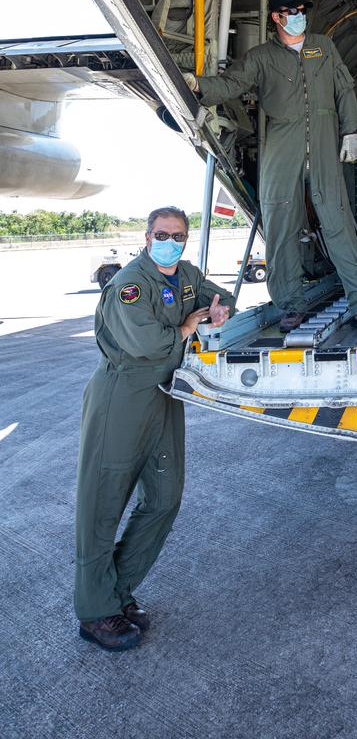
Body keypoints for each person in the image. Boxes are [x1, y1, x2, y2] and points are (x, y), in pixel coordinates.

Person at [75, 207, 231, 650]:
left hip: (165, 395)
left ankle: (118, 594)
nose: (170, 242)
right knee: (102, 507)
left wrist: (217, 311)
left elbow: (222, 298)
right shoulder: (130, 284)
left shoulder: (185, 275)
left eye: (178, 236)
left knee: (165, 498)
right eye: (162, 235)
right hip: (121, 397)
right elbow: (147, 343)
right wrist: (189, 324)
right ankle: (95, 612)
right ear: (147, 238)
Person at [185, 0, 357, 333]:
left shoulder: (324, 46)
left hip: (323, 144)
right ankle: (291, 305)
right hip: (281, 143)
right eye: (293, 11)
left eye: (302, 9)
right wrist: (198, 85)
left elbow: (344, 89)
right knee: (280, 226)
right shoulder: (261, 57)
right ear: (277, 17)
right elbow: (232, 84)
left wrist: (352, 131)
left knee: (338, 224)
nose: (300, 15)